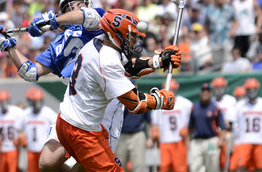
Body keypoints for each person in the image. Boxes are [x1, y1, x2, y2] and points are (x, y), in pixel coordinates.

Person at [0, 0, 181, 172]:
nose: (74, 8)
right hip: (76, 106)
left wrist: (55, 20)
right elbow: (30, 72)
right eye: (68, 6)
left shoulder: (98, 25)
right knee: (48, 163)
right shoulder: (64, 44)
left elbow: (89, 20)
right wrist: (9, 47)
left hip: (105, 109)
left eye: (79, 4)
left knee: (86, 167)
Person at [56, 9, 178, 172]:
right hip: (82, 130)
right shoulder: (106, 60)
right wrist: (161, 100)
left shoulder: (99, 41)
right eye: (132, 37)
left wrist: (159, 61)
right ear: (118, 34)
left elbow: (128, 67)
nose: (134, 42)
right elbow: (135, 104)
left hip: (68, 120)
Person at [152, 78, 193, 172]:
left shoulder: (185, 103)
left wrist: (188, 129)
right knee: (164, 168)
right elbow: (155, 122)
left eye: (173, 90)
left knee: (181, 168)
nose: (171, 92)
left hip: (180, 140)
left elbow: (194, 118)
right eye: (169, 90)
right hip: (165, 140)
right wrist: (155, 130)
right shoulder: (159, 104)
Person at [116, 82, 154, 172]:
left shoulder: (143, 100)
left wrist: (150, 138)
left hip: (138, 134)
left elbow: (149, 122)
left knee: (139, 165)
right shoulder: (120, 101)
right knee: (120, 165)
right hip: (122, 135)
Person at [188, 83, 227, 172]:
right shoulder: (195, 107)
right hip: (197, 141)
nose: (205, 93)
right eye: (203, 91)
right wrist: (188, 140)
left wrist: (221, 140)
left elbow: (222, 127)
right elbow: (190, 126)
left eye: (207, 91)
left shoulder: (215, 108)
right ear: (200, 93)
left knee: (212, 167)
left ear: (211, 93)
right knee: (195, 167)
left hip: (211, 140)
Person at [21, 88, 58, 172]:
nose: (37, 104)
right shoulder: (26, 113)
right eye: (35, 101)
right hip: (30, 149)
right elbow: (18, 128)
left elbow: (58, 124)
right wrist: (21, 135)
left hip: (44, 149)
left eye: (39, 101)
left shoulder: (47, 112)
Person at [0, 89, 25, 172]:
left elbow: (24, 127)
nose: (4, 103)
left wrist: (21, 138)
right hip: (0, 149)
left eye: (5, 101)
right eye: (1, 101)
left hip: (14, 148)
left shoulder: (17, 112)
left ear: (9, 100)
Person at [233, 78, 262, 172]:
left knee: (259, 167)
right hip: (244, 139)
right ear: (246, 90)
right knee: (241, 165)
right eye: (249, 90)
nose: (252, 92)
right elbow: (232, 122)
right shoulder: (240, 105)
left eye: (254, 89)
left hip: (259, 140)